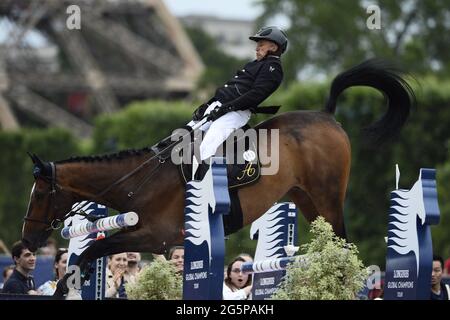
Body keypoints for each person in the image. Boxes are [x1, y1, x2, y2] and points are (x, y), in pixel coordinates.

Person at [191, 26, 288, 180]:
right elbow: (231, 89)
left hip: (236, 113)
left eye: (261, 44)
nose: (257, 48)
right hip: (221, 107)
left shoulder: (273, 68)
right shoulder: (254, 64)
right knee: (186, 137)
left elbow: (256, 95)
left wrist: (228, 107)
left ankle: (202, 190)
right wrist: (209, 104)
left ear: (273, 47)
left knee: (205, 148)